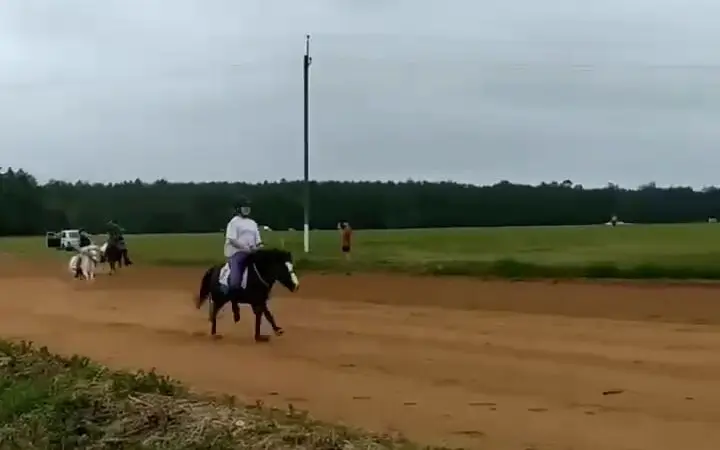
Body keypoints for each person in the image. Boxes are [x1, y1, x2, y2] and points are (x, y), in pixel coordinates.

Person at [224, 197, 263, 293]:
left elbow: (258, 241)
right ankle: (232, 288)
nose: (247, 209)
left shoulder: (253, 223)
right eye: (244, 207)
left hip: (252, 253)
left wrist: (258, 247)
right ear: (239, 209)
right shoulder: (234, 222)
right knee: (235, 277)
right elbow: (232, 240)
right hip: (237, 253)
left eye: (248, 207)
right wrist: (245, 248)